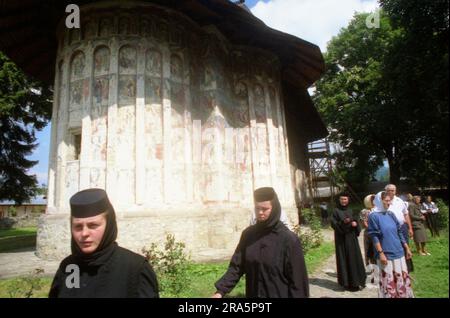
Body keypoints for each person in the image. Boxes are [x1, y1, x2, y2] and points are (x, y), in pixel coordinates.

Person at [49, 188, 159, 298]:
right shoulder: (70, 267)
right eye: (78, 226)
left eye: (93, 225)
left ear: (109, 225)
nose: (84, 233)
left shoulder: (135, 269)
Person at [212, 187, 309, 298]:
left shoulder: (289, 240)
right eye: (257, 208)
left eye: (265, 209)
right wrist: (220, 291)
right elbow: (236, 267)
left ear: (274, 208)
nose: (260, 212)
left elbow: (298, 283)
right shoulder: (248, 235)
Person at [368, 191, 414, 298]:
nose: (389, 203)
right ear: (379, 201)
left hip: (399, 251)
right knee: (388, 280)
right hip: (386, 253)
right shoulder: (373, 216)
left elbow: (399, 232)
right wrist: (381, 253)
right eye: (386, 201)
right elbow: (374, 236)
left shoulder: (391, 214)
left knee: (401, 278)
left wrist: (406, 248)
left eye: (390, 201)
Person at [374, 184, 414, 273]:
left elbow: (406, 214)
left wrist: (410, 228)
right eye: (389, 190)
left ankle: (405, 268)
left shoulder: (400, 201)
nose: (391, 192)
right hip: (388, 229)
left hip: (401, 227)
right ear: (385, 191)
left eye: (393, 190)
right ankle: (391, 268)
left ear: (395, 191)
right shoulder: (381, 202)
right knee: (390, 248)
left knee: (404, 246)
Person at [330, 193, 366, 291]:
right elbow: (333, 224)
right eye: (342, 199)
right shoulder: (335, 211)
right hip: (341, 240)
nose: (343, 201)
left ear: (348, 200)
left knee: (354, 258)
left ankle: (357, 281)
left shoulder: (351, 210)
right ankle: (345, 283)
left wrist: (355, 224)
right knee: (343, 259)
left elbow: (357, 222)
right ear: (339, 200)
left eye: (345, 199)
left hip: (352, 239)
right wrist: (343, 223)